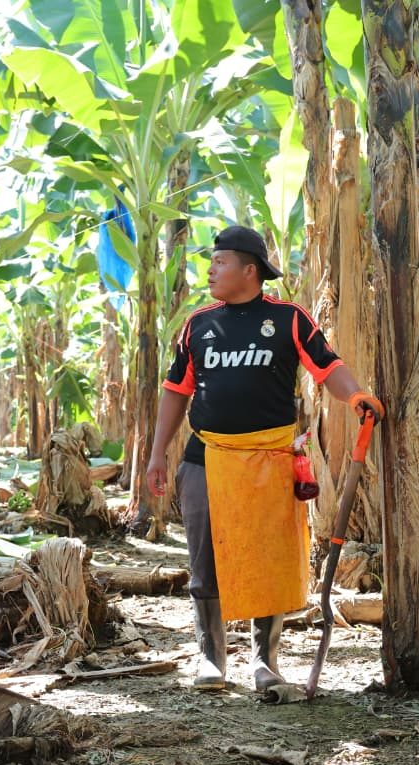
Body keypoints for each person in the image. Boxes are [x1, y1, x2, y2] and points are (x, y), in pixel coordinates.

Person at [146, 225, 383, 692]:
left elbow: (327, 366)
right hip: (207, 458)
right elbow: (176, 392)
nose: (211, 270)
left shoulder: (289, 319)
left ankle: (264, 661)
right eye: (211, 262)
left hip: (271, 459)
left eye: (221, 262)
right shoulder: (198, 325)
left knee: (268, 557)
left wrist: (354, 395)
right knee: (204, 557)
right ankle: (211, 659)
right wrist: (157, 455)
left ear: (249, 270)